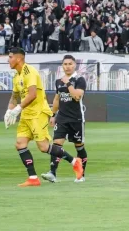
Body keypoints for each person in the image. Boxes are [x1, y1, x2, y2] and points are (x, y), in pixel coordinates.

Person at [5, 48, 83, 187]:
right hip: (26, 114)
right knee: (20, 144)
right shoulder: (16, 76)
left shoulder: (30, 72)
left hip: (38, 113)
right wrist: (8, 111)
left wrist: (18, 108)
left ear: (18, 59)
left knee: (43, 147)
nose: (8, 60)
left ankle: (75, 162)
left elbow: (32, 94)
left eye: (10, 57)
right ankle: (33, 178)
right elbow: (15, 96)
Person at [41, 55, 87, 183]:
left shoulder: (80, 80)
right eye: (65, 64)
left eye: (70, 64)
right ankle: (52, 173)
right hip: (62, 118)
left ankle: (81, 175)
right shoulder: (58, 81)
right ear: (62, 66)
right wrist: (53, 115)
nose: (67, 66)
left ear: (75, 65)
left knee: (79, 147)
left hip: (76, 119)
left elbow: (77, 96)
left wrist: (68, 84)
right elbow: (57, 99)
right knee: (57, 145)